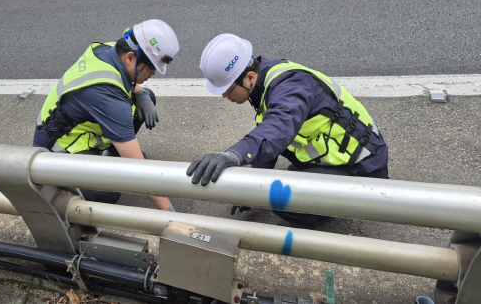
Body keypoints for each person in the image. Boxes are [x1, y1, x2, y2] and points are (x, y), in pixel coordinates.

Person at [187, 33, 389, 227]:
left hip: (365, 171)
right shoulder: (267, 82)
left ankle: (316, 219)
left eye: (228, 89)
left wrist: (235, 154)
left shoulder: (290, 87)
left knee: (279, 197)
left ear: (249, 77)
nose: (224, 96)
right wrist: (250, 185)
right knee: (281, 179)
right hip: (345, 161)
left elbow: (277, 128)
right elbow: (269, 133)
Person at [34, 19, 179, 212]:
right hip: (56, 155)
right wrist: (169, 212)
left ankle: (111, 155)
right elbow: (141, 171)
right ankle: (61, 190)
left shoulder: (109, 50)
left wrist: (142, 94)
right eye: (151, 66)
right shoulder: (107, 97)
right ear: (130, 57)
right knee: (108, 192)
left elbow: (127, 82)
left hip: (65, 130)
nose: (153, 73)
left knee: (146, 97)